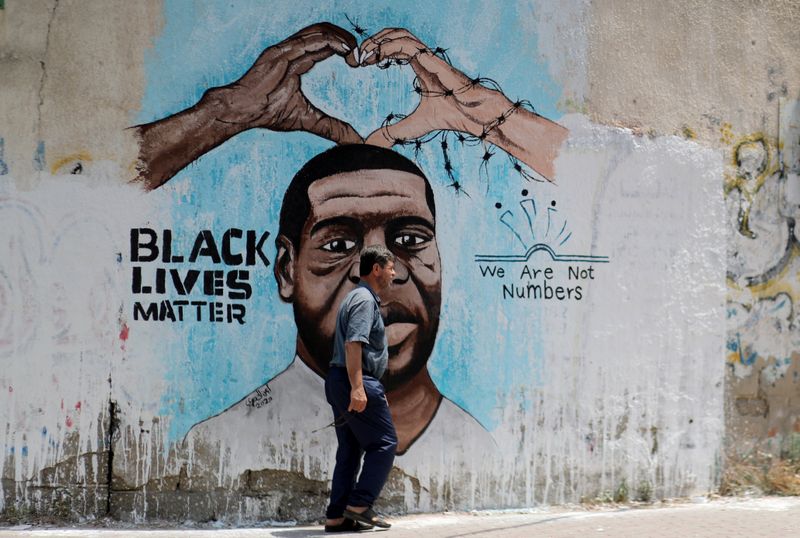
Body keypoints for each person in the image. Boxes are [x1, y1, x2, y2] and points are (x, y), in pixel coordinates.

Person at [324, 245, 397, 531]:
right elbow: (354, 343)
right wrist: (358, 387)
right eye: (391, 268)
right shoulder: (365, 300)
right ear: (376, 269)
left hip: (341, 379)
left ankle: (337, 515)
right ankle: (360, 505)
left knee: (350, 449)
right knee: (384, 443)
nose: (394, 274)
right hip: (354, 379)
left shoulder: (357, 298)